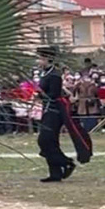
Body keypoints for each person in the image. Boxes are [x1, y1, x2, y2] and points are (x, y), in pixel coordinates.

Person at [34, 48, 91, 182]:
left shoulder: (54, 75)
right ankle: (55, 173)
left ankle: (66, 162)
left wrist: (40, 93)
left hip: (55, 111)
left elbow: (53, 95)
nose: (38, 61)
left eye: (41, 58)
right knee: (50, 142)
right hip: (47, 110)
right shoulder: (45, 74)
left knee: (45, 140)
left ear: (48, 59)